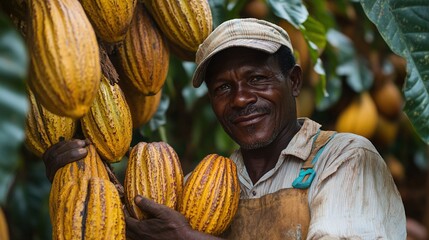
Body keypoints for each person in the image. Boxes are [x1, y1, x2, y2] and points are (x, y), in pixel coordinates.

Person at [43, 18, 407, 239]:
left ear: (293, 81)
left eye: (258, 78)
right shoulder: (210, 181)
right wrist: (74, 188)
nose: (241, 99)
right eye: (223, 88)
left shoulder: (345, 159)